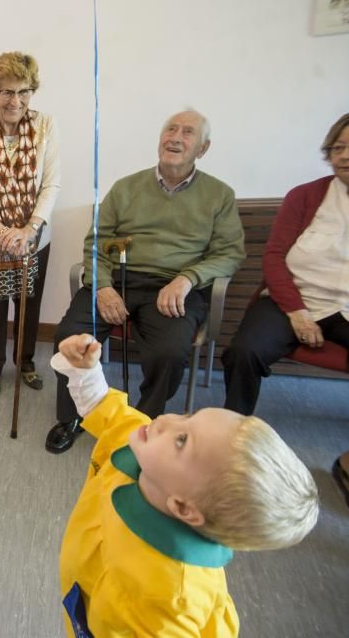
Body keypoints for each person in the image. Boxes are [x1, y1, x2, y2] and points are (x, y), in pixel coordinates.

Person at [53, 334, 318, 637]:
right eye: (189, 417)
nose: (167, 419)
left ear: (182, 506)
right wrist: (85, 369)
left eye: (182, 440)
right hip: (85, 590)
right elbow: (112, 414)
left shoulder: (169, 600)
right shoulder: (148, 454)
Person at [48, 110, 245, 454]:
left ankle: (144, 422)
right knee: (68, 337)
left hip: (174, 288)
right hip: (120, 278)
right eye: (170, 129)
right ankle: (73, 415)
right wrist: (103, 286)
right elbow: (96, 242)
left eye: (187, 132)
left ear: (203, 147)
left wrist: (188, 278)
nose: (175, 137)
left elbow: (229, 253)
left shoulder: (220, 195)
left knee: (168, 353)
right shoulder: (125, 188)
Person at [223, 113, 349, 414]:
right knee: (243, 352)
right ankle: (231, 431)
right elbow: (274, 257)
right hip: (291, 299)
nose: (344, 156)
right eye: (338, 148)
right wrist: (298, 313)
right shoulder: (305, 196)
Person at [0, 51, 61, 397]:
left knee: (29, 304)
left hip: (35, 239)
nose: (14, 101)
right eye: (5, 92)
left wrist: (29, 230)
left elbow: (51, 184)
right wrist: (2, 233)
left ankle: (26, 361)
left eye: (23, 91)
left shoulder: (46, 126)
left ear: (32, 93)